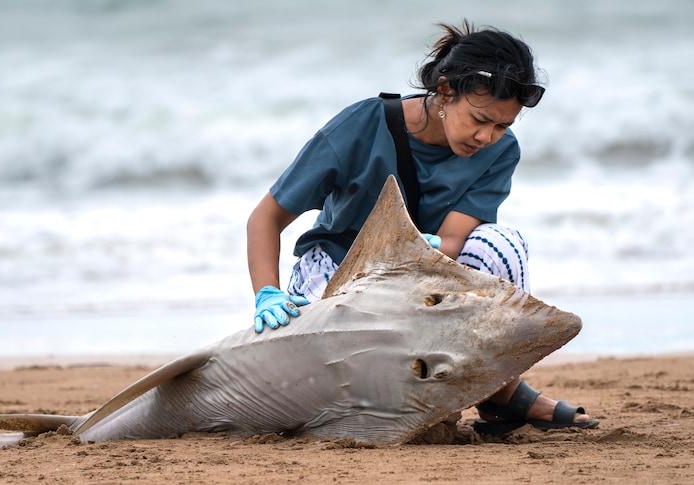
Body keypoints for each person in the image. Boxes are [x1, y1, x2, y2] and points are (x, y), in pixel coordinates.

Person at [245, 21, 599, 435]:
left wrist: (413, 251)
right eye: (480, 119)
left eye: (503, 125)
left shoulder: (500, 151)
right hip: (339, 274)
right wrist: (265, 295)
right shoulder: (362, 124)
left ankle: (499, 393)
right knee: (331, 383)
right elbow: (265, 218)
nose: (487, 136)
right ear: (445, 91)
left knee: (500, 244)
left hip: (422, 281)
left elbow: (454, 242)